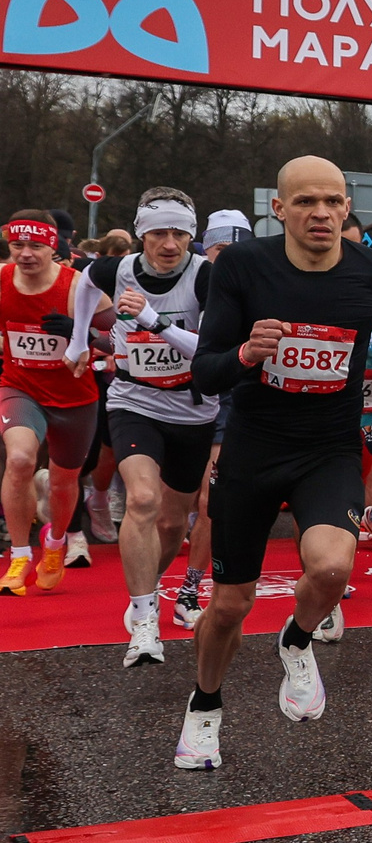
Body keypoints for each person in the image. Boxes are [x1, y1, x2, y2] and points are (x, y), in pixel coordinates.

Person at [180, 159, 372, 767]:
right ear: (280, 209)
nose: (321, 213)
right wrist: (245, 352)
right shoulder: (241, 266)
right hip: (253, 448)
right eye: (306, 202)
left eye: (332, 202)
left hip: (328, 448)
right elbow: (205, 370)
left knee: (329, 568)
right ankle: (205, 705)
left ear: (348, 209)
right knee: (230, 604)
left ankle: (296, 641)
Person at [69, 192, 215, 663]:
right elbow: (85, 281)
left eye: (179, 234)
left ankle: (146, 590)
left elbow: (209, 352)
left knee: (174, 522)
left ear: (191, 236)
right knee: (143, 499)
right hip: (135, 401)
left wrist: (155, 323)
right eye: (158, 233)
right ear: (141, 235)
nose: (169, 244)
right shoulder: (120, 269)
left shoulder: (206, 277)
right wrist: (77, 342)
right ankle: (145, 618)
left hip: (193, 409)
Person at [0, 212, 106, 595]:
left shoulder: (78, 285)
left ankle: (56, 543)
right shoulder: (1, 280)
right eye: (17, 246)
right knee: (20, 460)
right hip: (20, 387)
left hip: (74, 398)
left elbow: (120, 335)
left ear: (53, 248)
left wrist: (85, 332)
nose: (26, 255)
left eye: (36, 246)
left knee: (63, 482)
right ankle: (19, 554)